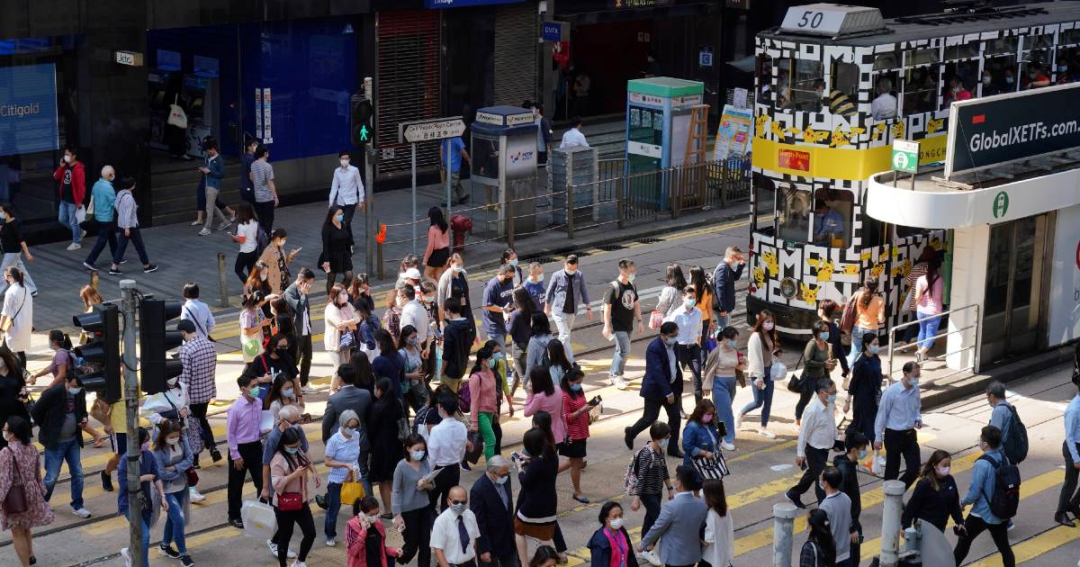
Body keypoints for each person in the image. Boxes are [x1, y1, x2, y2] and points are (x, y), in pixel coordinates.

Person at [953, 426, 1015, 567]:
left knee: (963, 544)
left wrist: (962, 503)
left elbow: (974, 492)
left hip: (981, 513)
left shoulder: (981, 464)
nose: (979, 441)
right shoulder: (1004, 458)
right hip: (1001, 511)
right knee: (1004, 548)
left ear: (985, 444)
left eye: (981, 439)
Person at [33, 370, 91, 519]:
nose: (76, 388)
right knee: (51, 477)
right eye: (73, 385)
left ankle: (77, 505)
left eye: (78, 386)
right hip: (55, 443)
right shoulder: (53, 393)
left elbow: (83, 410)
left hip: (72, 441)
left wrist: (84, 418)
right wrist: (47, 427)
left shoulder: (80, 392)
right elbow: (36, 411)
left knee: (78, 473)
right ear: (66, 381)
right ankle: (42, 504)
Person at [0, 416, 53, 567]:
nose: (3, 430)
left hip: (15, 496)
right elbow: (37, 474)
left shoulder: (6, 452)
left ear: (12, 433)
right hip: (32, 493)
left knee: (17, 532)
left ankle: (26, 565)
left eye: (5, 428)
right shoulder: (32, 448)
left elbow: (5, 480)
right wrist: (41, 493)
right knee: (26, 527)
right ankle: (31, 555)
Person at [625, 322, 683, 458]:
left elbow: (674, 365)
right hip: (656, 390)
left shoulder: (675, 345)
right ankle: (631, 433)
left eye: (676, 335)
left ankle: (673, 448)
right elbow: (657, 372)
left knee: (675, 417)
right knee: (650, 418)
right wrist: (667, 392)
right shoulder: (654, 348)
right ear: (663, 335)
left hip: (672, 387)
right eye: (672, 335)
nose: (675, 337)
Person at [261, 405, 308, 560]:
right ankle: (276, 542)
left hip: (295, 482)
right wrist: (265, 488)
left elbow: (304, 451)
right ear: (282, 420)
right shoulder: (274, 438)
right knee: (285, 514)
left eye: (297, 421)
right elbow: (266, 464)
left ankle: (277, 541)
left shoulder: (296, 430)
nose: (296, 424)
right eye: (293, 421)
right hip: (280, 481)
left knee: (290, 514)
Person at [636, 465, 707, 567]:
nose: (674, 481)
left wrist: (643, 544)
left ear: (679, 483)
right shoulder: (701, 504)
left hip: (674, 557)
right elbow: (702, 526)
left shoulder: (671, 506)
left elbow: (658, 527)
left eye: (676, 479)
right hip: (692, 555)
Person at [117, 427, 167, 567]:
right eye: (145, 441)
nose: (148, 443)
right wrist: (143, 478)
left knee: (140, 536)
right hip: (129, 505)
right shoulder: (125, 460)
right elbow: (124, 485)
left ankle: (129, 552)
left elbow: (156, 476)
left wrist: (163, 496)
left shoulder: (148, 455)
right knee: (144, 537)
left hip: (146, 504)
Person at [270, 426, 319, 567]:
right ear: (284, 445)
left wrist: (314, 473)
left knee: (310, 533)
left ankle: (300, 561)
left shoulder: (299, 452)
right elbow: (276, 484)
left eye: (298, 445)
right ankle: (283, 564)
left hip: (301, 502)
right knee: (285, 537)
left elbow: (307, 461)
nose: (295, 448)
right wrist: (294, 475)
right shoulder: (278, 459)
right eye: (292, 446)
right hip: (283, 505)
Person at [322, 364, 373, 496]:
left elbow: (326, 422)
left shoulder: (334, 399)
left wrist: (326, 439)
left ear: (340, 379)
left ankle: (332, 503)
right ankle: (368, 505)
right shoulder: (365, 394)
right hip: (360, 439)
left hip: (340, 442)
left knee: (337, 475)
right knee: (362, 472)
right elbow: (368, 417)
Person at [787, 377, 838, 509]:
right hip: (814, 450)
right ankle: (824, 507)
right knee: (822, 480)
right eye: (832, 392)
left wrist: (836, 441)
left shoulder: (830, 405)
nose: (835, 395)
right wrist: (800, 453)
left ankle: (794, 493)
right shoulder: (812, 410)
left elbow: (832, 424)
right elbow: (804, 433)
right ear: (822, 392)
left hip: (824, 449)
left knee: (812, 473)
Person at [151, 420, 195, 566]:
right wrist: (180, 470)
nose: (175, 439)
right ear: (164, 436)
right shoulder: (157, 451)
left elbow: (190, 458)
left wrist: (175, 468)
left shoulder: (183, 440)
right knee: (179, 519)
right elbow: (162, 474)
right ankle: (183, 555)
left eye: (176, 435)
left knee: (173, 518)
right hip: (166, 490)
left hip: (182, 487)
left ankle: (164, 546)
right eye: (171, 436)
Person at [514, 429, 560, 567]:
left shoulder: (536, 463)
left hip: (533, 505)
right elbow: (541, 467)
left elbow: (526, 482)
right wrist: (530, 460)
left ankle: (524, 563)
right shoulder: (552, 456)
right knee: (545, 534)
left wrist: (519, 468)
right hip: (550, 504)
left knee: (518, 528)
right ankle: (550, 563)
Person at [874, 361, 923, 489]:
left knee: (914, 470)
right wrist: (878, 438)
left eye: (918, 376)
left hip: (910, 435)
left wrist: (918, 418)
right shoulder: (891, 392)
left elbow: (917, 407)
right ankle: (889, 501)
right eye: (914, 375)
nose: (916, 379)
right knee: (892, 471)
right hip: (894, 435)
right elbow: (881, 416)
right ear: (905, 374)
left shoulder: (915, 389)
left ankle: (897, 493)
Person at [226, 374, 265, 529]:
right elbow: (230, 434)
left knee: (262, 482)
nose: (256, 389)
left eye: (257, 385)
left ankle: (263, 511)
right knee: (236, 485)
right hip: (240, 449)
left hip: (256, 447)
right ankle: (234, 515)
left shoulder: (259, 402)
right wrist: (235, 455)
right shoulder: (235, 408)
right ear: (243, 389)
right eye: (253, 386)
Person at [392, 433, 434, 565]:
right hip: (408, 511)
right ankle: (395, 558)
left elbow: (432, 485)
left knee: (425, 544)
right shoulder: (401, 466)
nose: (420, 453)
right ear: (408, 448)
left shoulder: (425, 463)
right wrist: (397, 515)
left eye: (422, 450)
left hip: (424, 508)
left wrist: (425, 485)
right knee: (411, 545)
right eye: (417, 450)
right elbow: (396, 491)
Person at [628, 421, 673, 545]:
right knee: (660, 521)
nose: (668, 439)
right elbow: (641, 477)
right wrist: (637, 499)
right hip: (647, 493)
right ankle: (648, 548)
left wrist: (670, 488)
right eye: (666, 437)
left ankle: (644, 546)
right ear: (657, 437)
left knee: (650, 519)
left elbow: (664, 470)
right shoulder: (646, 454)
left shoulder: (660, 451)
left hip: (657, 491)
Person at [323, 409, 362, 546]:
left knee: (358, 507)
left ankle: (360, 532)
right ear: (343, 425)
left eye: (355, 426)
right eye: (350, 427)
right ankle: (330, 535)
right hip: (337, 480)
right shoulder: (334, 440)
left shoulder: (356, 435)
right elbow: (327, 461)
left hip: (355, 477)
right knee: (333, 509)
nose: (353, 429)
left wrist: (353, 469)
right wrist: (345, 465)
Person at [544, 254, 592, 363]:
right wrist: (546, 307)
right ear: (565, 265)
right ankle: (567, 360)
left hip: (572, 311)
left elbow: (584, 291)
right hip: (558, 311)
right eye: (570, 269)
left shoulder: (579, 275)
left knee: (566, 337)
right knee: (565, 335)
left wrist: (588, 308)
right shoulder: (557, 275)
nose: (572, 271)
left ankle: (566, 361)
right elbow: (549, 291)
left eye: (574, 269)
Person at [902, 449, 964, 533]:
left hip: (940, 527)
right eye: (944, 465)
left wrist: (960, 521)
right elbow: (912, 505)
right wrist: (905, 526)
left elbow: (954, 503)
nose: (947, 467)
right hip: (924, 528)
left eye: (948, 465)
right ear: (935, 465)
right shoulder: (924, 484)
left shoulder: (950, 480)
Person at [703, 326, 745, 450]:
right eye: (733, 339)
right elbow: (709, 371)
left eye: (736, 340)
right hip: (719, 384)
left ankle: (719, 434)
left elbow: (739, 367)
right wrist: (707, 386)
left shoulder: (733, 349)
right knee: (726, 413)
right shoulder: (716, 352)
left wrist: (742, 361)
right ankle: (727, 438)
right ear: (725, 339)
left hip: (731, 383)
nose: (735, 342)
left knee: (721, 414)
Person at [739, 311, 780, 438]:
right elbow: (755, 358)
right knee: (758, 402)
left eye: (772, 321)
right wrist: (759, 377)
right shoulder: (755, 337)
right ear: (761, 322)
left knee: (768, 401)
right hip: (758, 373)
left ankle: (763, 427)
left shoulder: (770, 335)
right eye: (767, 321)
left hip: (769, 371)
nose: (770, 324)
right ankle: (741, 413)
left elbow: (771, 352)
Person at [603, 259, 643, 390]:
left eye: (634, 270)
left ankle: (615, 374)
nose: (633, 273)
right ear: (622, 271)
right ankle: (616, 375)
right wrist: (607, 325)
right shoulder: (614, 287)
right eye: (630, 271)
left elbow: (636, 303)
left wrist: (640, 321)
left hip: (628, 324)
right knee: (625, 351)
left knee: (620, 351)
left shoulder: (632, 285)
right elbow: (607, 307)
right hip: (617, 325)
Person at [471, 455, 516, 567]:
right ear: (492, 473)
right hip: (491, 543)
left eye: (507, 473)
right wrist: (484, 549)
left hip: (508, 538)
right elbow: (479, 522)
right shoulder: (478, 490)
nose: (506, 476)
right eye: (503, 475)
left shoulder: (505, 478)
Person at [108, 177, 158, 275]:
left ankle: (113, 268)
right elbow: (128, 213)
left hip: (121, 224)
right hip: (131, 226)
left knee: (121, 247)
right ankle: (146, 266)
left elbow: (117, 206)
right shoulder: (129, 198)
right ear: (132, 186)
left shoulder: (120, 193)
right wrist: (127, 227)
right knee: (139, 246)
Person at [368, 378, 403, 513]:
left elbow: (372, 429)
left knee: (383, 480)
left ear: (380, 391)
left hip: (380, 448)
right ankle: (398, 508)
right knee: (394, 479)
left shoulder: (377, 407)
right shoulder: (398, 403)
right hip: (396, 446)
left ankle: (388, 510)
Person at [561, 368, 595, 503]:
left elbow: (582, 404)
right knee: (576, 463)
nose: (579, 384)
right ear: (569, 381)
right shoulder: (564, 396)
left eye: (581, 382)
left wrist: (589, 408)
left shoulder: (577, 391)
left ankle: (549, 475)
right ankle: (577, 492)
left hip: (582, 431)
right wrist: (582, 410)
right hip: (573, 434)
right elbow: (567, 418)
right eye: (577, 382)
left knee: (575, 461)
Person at [429, 395, 469, 511]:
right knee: (449, 505)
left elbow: (432, 456)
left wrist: (429, 474)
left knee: (430, 504)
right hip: (454, 469)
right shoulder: (461, 426)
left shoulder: (437, 430)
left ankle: (435, 527)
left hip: (439, 470)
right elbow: (462, 450)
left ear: (442, 409)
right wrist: (457, 462)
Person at [666, 285, 704, 403]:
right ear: (683, 297)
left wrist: (698, 343)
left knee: (698, 378)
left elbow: (699, 330)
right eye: (689, 297)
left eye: (693, 297)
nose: (692, 299)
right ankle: (679, 408)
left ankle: (699, 406)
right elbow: (668, 332)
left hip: (693, 348)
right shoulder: (677, 314)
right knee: (678, 380)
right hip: (680, 349)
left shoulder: (698, 312)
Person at [834, 432, 868, 562]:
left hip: (852, 523)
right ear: (853, 450)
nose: (865, 452)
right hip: (849, 526)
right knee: (852, 560)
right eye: (863, 449)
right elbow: (841, 503)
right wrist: (852, 528)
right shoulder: (845, 470)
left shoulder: (849, 465)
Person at [845, 332, 882, 444]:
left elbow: (877, 374)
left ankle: (871, 451)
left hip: (874, 397)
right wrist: (848, 401)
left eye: (878, 344)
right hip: (863, 399)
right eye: (874, 344)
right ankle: (848, 442)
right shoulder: (861, 362)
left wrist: (886, 376)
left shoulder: (876, 359)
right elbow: (854, 382)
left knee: (871, 424)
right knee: (862, 424)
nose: (877, 346)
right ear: (867, 345)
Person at [796, 321, 835, 424]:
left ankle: (825, 420)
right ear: (817, 332)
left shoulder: (826, 344)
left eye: (828, 330)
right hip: (809, 378)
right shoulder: (812, 344)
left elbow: (826, 363)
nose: (827, 332)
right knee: (804, 400)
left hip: (821, 378)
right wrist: (823, 364)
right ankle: (797, 420)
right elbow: (807, 361)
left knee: (826, 399)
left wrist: (829, 380)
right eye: (824, 331)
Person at [285, 268, 317, 394]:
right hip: (297, 331)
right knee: (295, 359)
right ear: (302, 282)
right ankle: (291, 385)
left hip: (306, 329)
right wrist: (303, 295)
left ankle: (304, 384)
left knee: (307, 357)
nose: (310, 286)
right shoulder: (290, 292)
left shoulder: (304, 291)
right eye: (309, 283)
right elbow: (298, 308)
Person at [82, 166, 120, 271]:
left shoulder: (96, 185)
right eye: (113, 174)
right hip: (107, 217)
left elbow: (93, 198)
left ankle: (117, 257)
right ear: (109, 175)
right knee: (102, 241)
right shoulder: (109, 188)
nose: (114, 176)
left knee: (111, 236)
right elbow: (114, 203)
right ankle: (89, 261)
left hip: (99, 216)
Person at [432, 485, 480, 567]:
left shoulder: (470, 515)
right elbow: (438, 550)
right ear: (448, 501)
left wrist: (473, 560)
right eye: (456, 502)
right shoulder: (441, 521)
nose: (460, 505)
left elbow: (474, 540)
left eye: (463, 502)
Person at [347, 496, 402, 567]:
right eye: (371, 515)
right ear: (362, 514)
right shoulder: (352, 525)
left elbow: (380, 549)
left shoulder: (378, 524)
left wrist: (394, 551)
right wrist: (363, 531)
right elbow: (352, 551)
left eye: (377, 514)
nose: (375, 517)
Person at [817, 466, 854, 567]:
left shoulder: (825, 506)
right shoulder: (846, 498)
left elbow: (824, 535)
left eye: (820, 478)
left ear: (825, 483)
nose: (819, 479)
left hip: (832, 556)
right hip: (846, 552)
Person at [467, 347, 499, 462]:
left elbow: (493, 394)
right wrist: (474, 422)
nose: (493, 360)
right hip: (481, 413)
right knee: (491, 440)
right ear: (483, 360)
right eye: (491, 358)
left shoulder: (490, 372)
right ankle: (491, 468)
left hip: (490, 412)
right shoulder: (475, 378)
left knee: (487, 440)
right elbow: (474, 402)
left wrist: (495, 411)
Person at [524, 368, 567, 453]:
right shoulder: (558, 389)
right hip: (559, 433)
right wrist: (566, 429)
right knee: (552, 459)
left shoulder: (539, 397)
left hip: (543, 435)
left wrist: (530, 394)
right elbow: (562, 413)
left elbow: (527, 412)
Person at [846, 276, 884, 368]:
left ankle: (846, 374)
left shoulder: (858, 294)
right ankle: (869, 373)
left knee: (854, 352)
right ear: (876, 287)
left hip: (857, 327)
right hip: (871, 330)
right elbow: (881, 319)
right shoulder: (879, 300)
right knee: (871, 353)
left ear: (865, 285)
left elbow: (848, 305)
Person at [1058, 371, 1080, 526]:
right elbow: (1070, 437)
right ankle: (1060, 512)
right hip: (1074, 449)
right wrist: (1076, 458)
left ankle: (1073, 504)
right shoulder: (1073, 410)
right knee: (1070, 482)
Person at [196, 140, 231, 236]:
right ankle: (225, 221)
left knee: (209, 207)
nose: (207, 153)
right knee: (212, 205)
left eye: (208, 151)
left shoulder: (219, 160)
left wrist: (209, 172)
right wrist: (203, 170)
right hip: (207, 184)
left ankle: (207, 228)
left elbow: (222, 174)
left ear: (213, 149)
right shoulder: (208, 157)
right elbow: (206, 167)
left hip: (214, 186)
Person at [53, 146, 85, 250]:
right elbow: (56, 177)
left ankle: (77, 242)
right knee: (62, 219)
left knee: (73, 222)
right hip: (64, 199)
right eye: (65, 154)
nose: (65, 156)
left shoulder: (78, 169)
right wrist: (61, 166)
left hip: (73, 201)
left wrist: (79, 201)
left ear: (74, 156)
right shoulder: (66, 167)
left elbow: (81, 186)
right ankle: (80, 232)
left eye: (68, 154)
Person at [0, 204, 35, 296]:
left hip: (12, 252)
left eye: (1, 211)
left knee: (3, 271)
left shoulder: (14, 223)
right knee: (21, 271)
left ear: (6, 212)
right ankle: (32, 289)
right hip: (11, 252)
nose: (0, 213)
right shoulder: (6, 222)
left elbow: (21, 240)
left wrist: (27, 253)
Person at [588, 501, 637, 567]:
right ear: (606, 519)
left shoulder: (621, 530)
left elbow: (630, 555)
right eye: (614, 516)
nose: (618, 519)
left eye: (620, 515)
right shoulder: (600, 542)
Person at [914, 256, 944, 362]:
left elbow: (917, 297)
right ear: (938, 268)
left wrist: (919, 303)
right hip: (934, 311)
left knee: (922, 331)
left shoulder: (920, 279)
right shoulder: (939, 280)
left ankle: (921, 355)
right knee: (931, 334)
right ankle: (920, 352)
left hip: (921, 310)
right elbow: (940, 296)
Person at [0, 267, 32, 366]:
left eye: (5, 277)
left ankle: (15, 375)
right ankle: (23, 375)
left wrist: (0, 329)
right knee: (20, 352)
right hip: (25, 325)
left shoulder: (10, 292)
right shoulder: (26, 288)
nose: (4, 279)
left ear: (9, 277)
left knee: (6, 352)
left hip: (15, 327)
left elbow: (5, 313)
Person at [325, 284, 360, 372]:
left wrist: (347, 322)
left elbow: (358, 318)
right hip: (335, 343)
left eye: (346, 293)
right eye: (343, 294)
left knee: (346, 367)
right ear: (335, 295)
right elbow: (339, 324)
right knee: (339, 368)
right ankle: (334, 386)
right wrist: (351, 322)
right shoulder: (331, 308)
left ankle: (342, 385)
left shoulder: (348, 305)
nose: (345, 296)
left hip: (347, 340)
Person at [329, 149, 366, 232]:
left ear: (349, 160)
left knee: (346, 221)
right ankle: (349, 241)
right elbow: (334, 187)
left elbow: (360, 186)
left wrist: (361, 200)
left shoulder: (354, 170)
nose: (344, 161)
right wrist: (331, 202)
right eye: (342, 159)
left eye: (346, 159)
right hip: (340, 202)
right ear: (339, 160)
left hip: (351, 202)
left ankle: (347, 242)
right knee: (341, 222)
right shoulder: (337, 171)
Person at [507, 287, 535, 394]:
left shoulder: (516, 314)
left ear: (518, 298)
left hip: (518, 347)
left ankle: (532, 398)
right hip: (529, 344)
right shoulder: (531, 308)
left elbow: (509, 330)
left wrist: (506, 319)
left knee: (523, 377)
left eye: (513, 297)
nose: (512, 299)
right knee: (516, 372)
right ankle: (511, 395)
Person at [321, 207, 355, 295]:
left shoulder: (343, 224)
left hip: (344, 254)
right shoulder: (327, 228)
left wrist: (349, 253)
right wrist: (326, 260)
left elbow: (347, 240)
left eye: (342, 214)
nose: (341, 216)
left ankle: (337, 294)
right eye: (339, 214)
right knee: (331, 279)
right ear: (332, 216)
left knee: (349, 276)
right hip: (332, 256)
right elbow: (325, 245)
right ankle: (331, 298)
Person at [482, 264, 516, 351]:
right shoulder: (492, 286)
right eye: (508, 276)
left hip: (504, 322)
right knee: (500, 353)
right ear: (501, 274)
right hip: (493, 325)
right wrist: (502, 309)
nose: (510, 279)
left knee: (500, 350)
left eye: (512, 277)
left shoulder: (509, 283)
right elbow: (486, 305)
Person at [0, 351, 29, 452]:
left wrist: (24, 395)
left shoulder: (15, 371)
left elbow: (22, 387)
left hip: (18, 414)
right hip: (2, 418)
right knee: (4, 449)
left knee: (21, 447)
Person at [702, 479, 735, 567]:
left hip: (711, 558)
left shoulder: (710, 514)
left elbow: (707, 540)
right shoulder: (725, 510)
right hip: (723, 555)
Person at [817, 299, 851, 386]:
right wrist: (845, 368)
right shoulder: (835, 328)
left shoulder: (819, 327)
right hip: (830, 363)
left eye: (820, 308)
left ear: (823, 310)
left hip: (818, 365)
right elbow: (840, 350)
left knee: (820, 387)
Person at [259, 228, 301, 295]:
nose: (284, 241)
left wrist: (290, 256)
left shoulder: (280, 248)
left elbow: (283, 264)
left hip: (284, 282)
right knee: (276, 303)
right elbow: (261, 267)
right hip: (274, 284)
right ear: (278, 238)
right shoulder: (269, 250)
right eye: (284, 239)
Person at [681, 399, 721, 468]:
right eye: (708, 414)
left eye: (712, 414)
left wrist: (720, 435)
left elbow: (714, 441)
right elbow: (687, 446)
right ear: (700, 413)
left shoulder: (711, 425)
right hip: (695, 466)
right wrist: (704, 453)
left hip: (709, 465)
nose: (711, 416)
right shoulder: (692, 427)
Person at [712, 246, 744, 330]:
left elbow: (735, 277)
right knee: (723, 329)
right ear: (731, 257)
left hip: (726, 306)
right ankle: (720, 343)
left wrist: (741, 266)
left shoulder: (727, 266)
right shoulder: (723, 269)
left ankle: (724, 342)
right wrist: (723, 309)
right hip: (722, 307)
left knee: (725, 327)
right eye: (738, 258)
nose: (739, 260)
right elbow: (720, 290)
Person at [229, 203, 261, 284]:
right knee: (251, 271)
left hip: (245, 251)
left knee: (238, 270)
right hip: (254, 248)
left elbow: (242, 240)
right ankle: (254, 288)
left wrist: (233, 237)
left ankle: (249, 286)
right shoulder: (255, 221)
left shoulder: (241, 226)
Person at [251, 144, 280, 233]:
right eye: (267, 152)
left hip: (257, 197)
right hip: (267, 198)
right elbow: (270, 182)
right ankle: (266, 240)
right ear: (264, 153)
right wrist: (275, 197)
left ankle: (261, 239)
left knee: (261, 220)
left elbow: (252, 178)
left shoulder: (253, 165)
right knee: (269, 221)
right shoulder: (267, 166)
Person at [437, 253, 473, 323]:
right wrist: (441, 322)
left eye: (461, 264)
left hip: (465, 309)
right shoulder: (445, 277)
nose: (460, 267)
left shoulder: (463, 273)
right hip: (453, 313)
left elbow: (466, 290)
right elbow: (440, 301)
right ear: (451, 263)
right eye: (458, 265)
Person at [398, 325, 427, 410]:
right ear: (405, 338)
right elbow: (398, 374)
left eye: (416, 336)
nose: (415, 339)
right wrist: (412, 375)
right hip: (409, 390)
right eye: (412, 337)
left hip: (419, 386)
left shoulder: (416, 348)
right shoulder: (402, 353)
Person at [524, 313, 555, 391]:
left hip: (540, 376)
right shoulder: (551, 337)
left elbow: (530, 364)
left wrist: (525, 381)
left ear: (535, 324)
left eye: (531, 321)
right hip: (552, 374)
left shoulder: (533, 341)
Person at [689, 266, 716, 353]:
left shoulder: (690, 289)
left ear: (693, 275)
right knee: (703, 341)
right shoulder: (707, 288)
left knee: (694, 341)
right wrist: (711, 321)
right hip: (705, 318)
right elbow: (709, 307)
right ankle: (703, 364)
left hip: (693, 318)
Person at [439, 136, 472, 206]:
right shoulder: (456, 138)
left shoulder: (446, 136)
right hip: (454, 163)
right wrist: (469, 160)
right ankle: (446, 200)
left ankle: (462, 196)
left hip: (446, 162)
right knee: (452, 182)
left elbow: (441, 148)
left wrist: (442, 160)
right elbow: (462, 151)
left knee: (455, 179)